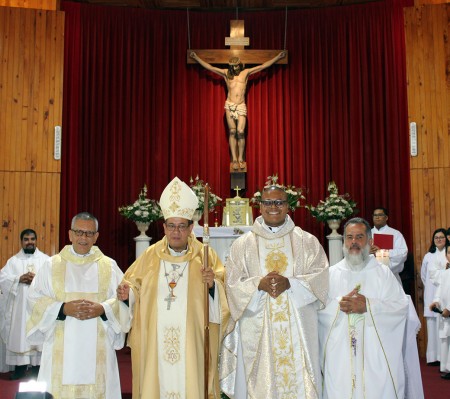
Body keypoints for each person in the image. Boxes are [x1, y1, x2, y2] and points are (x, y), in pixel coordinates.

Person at [116, 177, 229, 399]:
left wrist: (212, 286)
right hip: (155, 342)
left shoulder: (205, 256)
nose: (175, 232)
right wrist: (127, 295)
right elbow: (133, 285)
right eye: (171, 226)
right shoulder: (149, 256)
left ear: (191, 228)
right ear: (164, 227)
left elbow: (222, 296)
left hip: (192, 342)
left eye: (181, 226)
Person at [219, 184, 329, 399]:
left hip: (298, 329)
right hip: (258, 328)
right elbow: (231, 283)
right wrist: (257, 284)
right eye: (268, 202)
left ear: (288, 206)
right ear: (259, 206)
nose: (273, 207)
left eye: (279, 202)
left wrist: (291, 284)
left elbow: (321, 278)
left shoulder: (307, 242)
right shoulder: (243, 245)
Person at [26, 212, 127, 398]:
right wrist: (62, 308)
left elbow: (123, 300)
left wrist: (102, 309)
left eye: (89, 234)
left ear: (96, 237)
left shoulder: (109, 266)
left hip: (99, 346)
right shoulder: (51, 265)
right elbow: (34, 299)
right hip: (60, 345)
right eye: (79, 232)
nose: (83, 238)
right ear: (70, 234)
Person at [318, 217, 414, 399]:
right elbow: (319, 309)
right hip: (341, 356)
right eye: (349, 237)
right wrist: (340, 304)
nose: (354, 242)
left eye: (359, 237)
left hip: (375, 355)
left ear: (370, 242)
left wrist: (369, 306)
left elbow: (400, 307)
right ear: (344, 241)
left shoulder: (383, 273)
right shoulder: (331, 274)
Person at [190, 51, 285, 170]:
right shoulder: (226, 73)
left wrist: (277, 57)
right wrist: (196, 58)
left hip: (240, 106)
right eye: (232, 66)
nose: (234, 68)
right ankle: (234, 159)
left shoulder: (245, 73)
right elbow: (210, 67)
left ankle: (241, 158)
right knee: (232, 131)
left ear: (240, 65)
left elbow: (262, 66)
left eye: (236, 66)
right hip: (229, 105)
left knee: (240, 132)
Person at [0, 229, 49, 380]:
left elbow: (53, 281)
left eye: (32, 239)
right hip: (20, 309)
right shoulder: (13, 261)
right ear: (21, 241)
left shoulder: (46, 260)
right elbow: (3, 279)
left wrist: (37, 280)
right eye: (26, 239)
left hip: (38, 308)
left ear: (36, 240)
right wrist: (18, 279)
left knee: (38, 335)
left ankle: (37, 369)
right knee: (20, 335)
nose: (30, 242)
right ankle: (20, 368)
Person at [420, 228, 449, 365]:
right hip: (431, 292)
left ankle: (442, 357)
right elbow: (424, 275)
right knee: (432, 326)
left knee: (443, 326)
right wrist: (432, 287)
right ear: (433, 240)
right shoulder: (428, 256)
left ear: (446, 239)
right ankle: (432, 357)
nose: (439, 239)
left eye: (441, 237)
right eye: (436, 237)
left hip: (445, 292)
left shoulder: (448, 253)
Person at [370, 206, 408, 284]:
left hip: (391, 276)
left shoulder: (395, 233)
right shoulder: (367, 234)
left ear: (386, 217)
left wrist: (382, 252)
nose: (377, 217)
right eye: (375, 215)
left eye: (380, 215)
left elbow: (403, 253)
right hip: (370, 276)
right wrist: (367, 252)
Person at [429, 243, 450, 379]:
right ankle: (448, 367)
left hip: (448, 310)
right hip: (445, 313)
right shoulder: (445, 274)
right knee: (446, 340)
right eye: (449, 253)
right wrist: (436, 301)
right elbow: (440, 289)